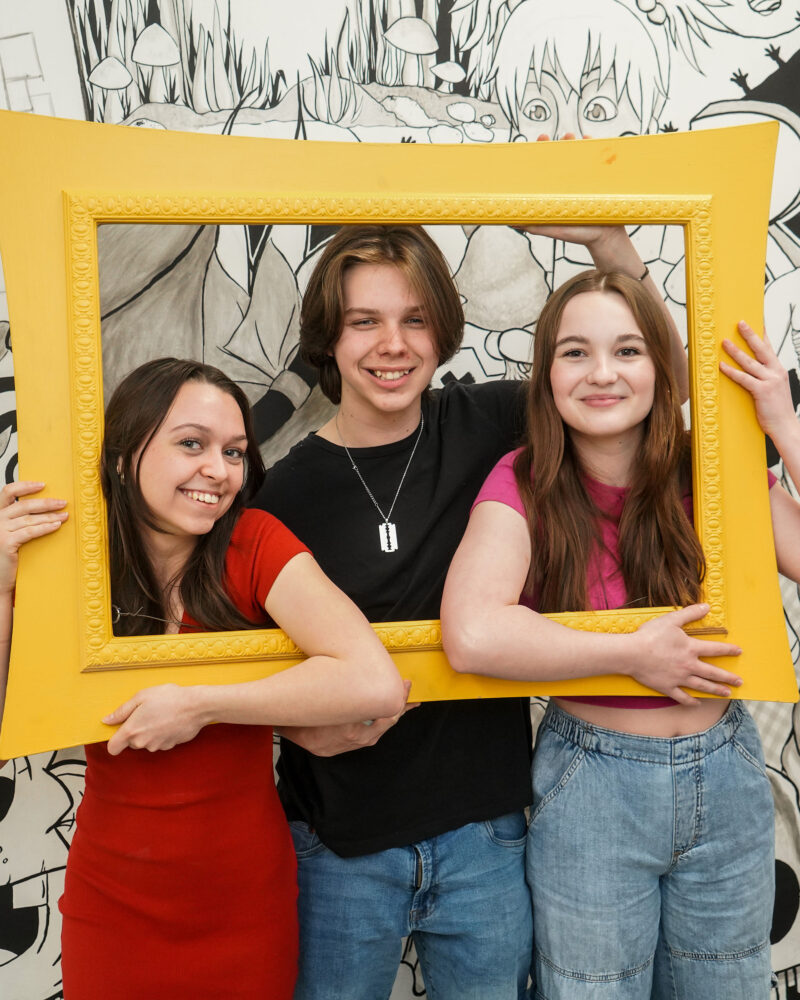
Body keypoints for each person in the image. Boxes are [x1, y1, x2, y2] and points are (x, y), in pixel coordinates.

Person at [253, 224, 684, 1000]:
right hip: (338, 844)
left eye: (415, 319)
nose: (393, 344)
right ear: (330, 336)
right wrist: (287, 725)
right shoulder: (282, 493)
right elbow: (228, 660)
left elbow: (638, 377)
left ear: (443, 330)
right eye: (365, 321)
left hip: (488, 834)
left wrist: (612, 251)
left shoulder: (491, 423)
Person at [0, 358, 405, 1000]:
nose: (219, 471)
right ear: (126, 452)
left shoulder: (254, 540)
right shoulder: (73, 562)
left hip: (244, 904)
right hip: (112, 901)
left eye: (235, 451)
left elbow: (373, 682)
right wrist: (1, 584)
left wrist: (202, 705)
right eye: (192, 443)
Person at [441, 271, 786, 998]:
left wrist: (783, 427)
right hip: (593, 783)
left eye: (628, 351)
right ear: (546, 375)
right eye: (574, 353)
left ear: (662, 369)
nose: (602, 373)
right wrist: (631, 655)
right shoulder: (523, 478)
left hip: (726, 771)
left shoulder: (710, 466)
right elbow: (471, 634)